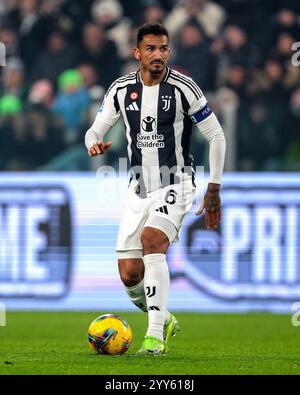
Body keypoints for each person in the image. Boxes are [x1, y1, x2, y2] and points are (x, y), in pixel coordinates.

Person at [85, 23, 226, 355]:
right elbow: (95, 129)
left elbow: (216, 136)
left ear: (169, 52)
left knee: (153, 241)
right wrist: (93, 144)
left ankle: (155, 338)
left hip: (176, 182)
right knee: (129, 274)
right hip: (138, 188)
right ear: (138, 53)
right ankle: (163, 317)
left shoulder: (184, 89)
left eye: (164, 48)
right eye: (151, 48)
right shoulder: (120, 89)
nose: (158, 54)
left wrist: (214, 187)